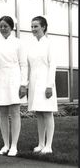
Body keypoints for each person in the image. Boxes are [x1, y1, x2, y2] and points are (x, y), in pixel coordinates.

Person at [0, 16, 28, 156]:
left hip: (14, 78)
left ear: (11, 27)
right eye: (0, 26)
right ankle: (5, 144)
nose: (3, 29)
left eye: (5, 26)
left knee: (14, 112)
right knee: (2, 113)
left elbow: (24, 64)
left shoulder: (19, 43)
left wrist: (23, 84)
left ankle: (14, 145)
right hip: (0, 79)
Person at [28, 16, 57, 154]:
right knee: (39, 113)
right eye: (32, 26)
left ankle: (49, 145)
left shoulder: (50, 43)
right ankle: (40, 143)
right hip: (34, 82)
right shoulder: (31, 44)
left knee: (47, 113)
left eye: (36, 26)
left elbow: (52, 66)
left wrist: (49, 85)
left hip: (46, 82)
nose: (33, 29)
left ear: (43, 27)